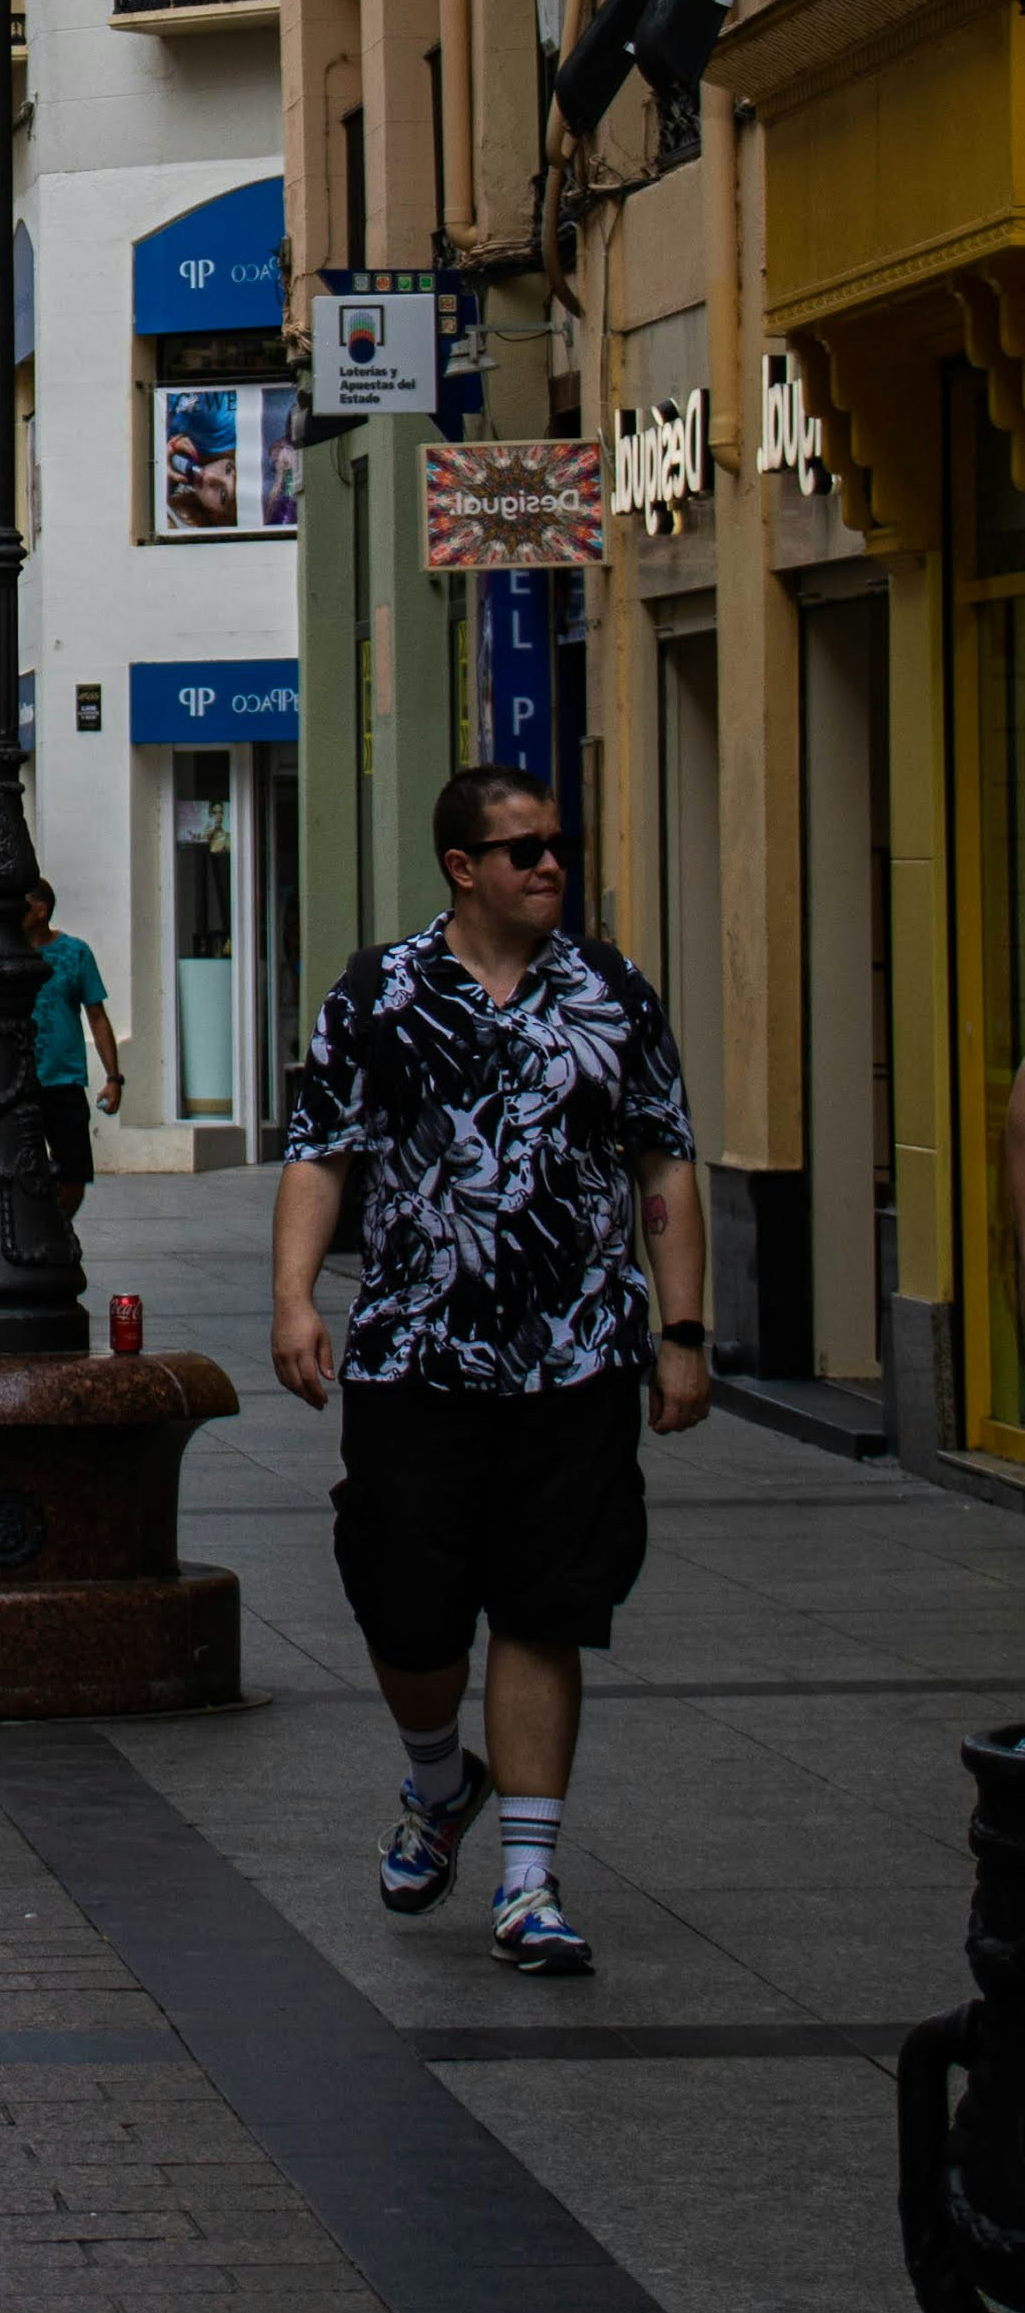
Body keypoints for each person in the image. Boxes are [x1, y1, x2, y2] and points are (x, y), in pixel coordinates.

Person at [273, 764, 708, 1982]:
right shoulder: (380, 992)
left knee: (547, 1601)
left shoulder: (611, 992)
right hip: (417, 1350)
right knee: (404, 1600)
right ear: (464, 867)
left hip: (575, 1354)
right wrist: (295, 1296)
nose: (550, 866)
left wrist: (682, 1330)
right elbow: (324, 1153)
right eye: (524, 851)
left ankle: (529, 1878)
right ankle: (438, 1780)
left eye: (556, 845)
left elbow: (663, 1161)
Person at [22, 878, 122, 1198]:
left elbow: (97, 1016)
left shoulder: (75, 953)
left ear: (41, 909)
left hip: (63, 1079)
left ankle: (57, 1233)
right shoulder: (6, 953)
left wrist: (113, 1078)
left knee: (73, 1173)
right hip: (18, 1081)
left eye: (20, 905)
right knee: (23, 1170)